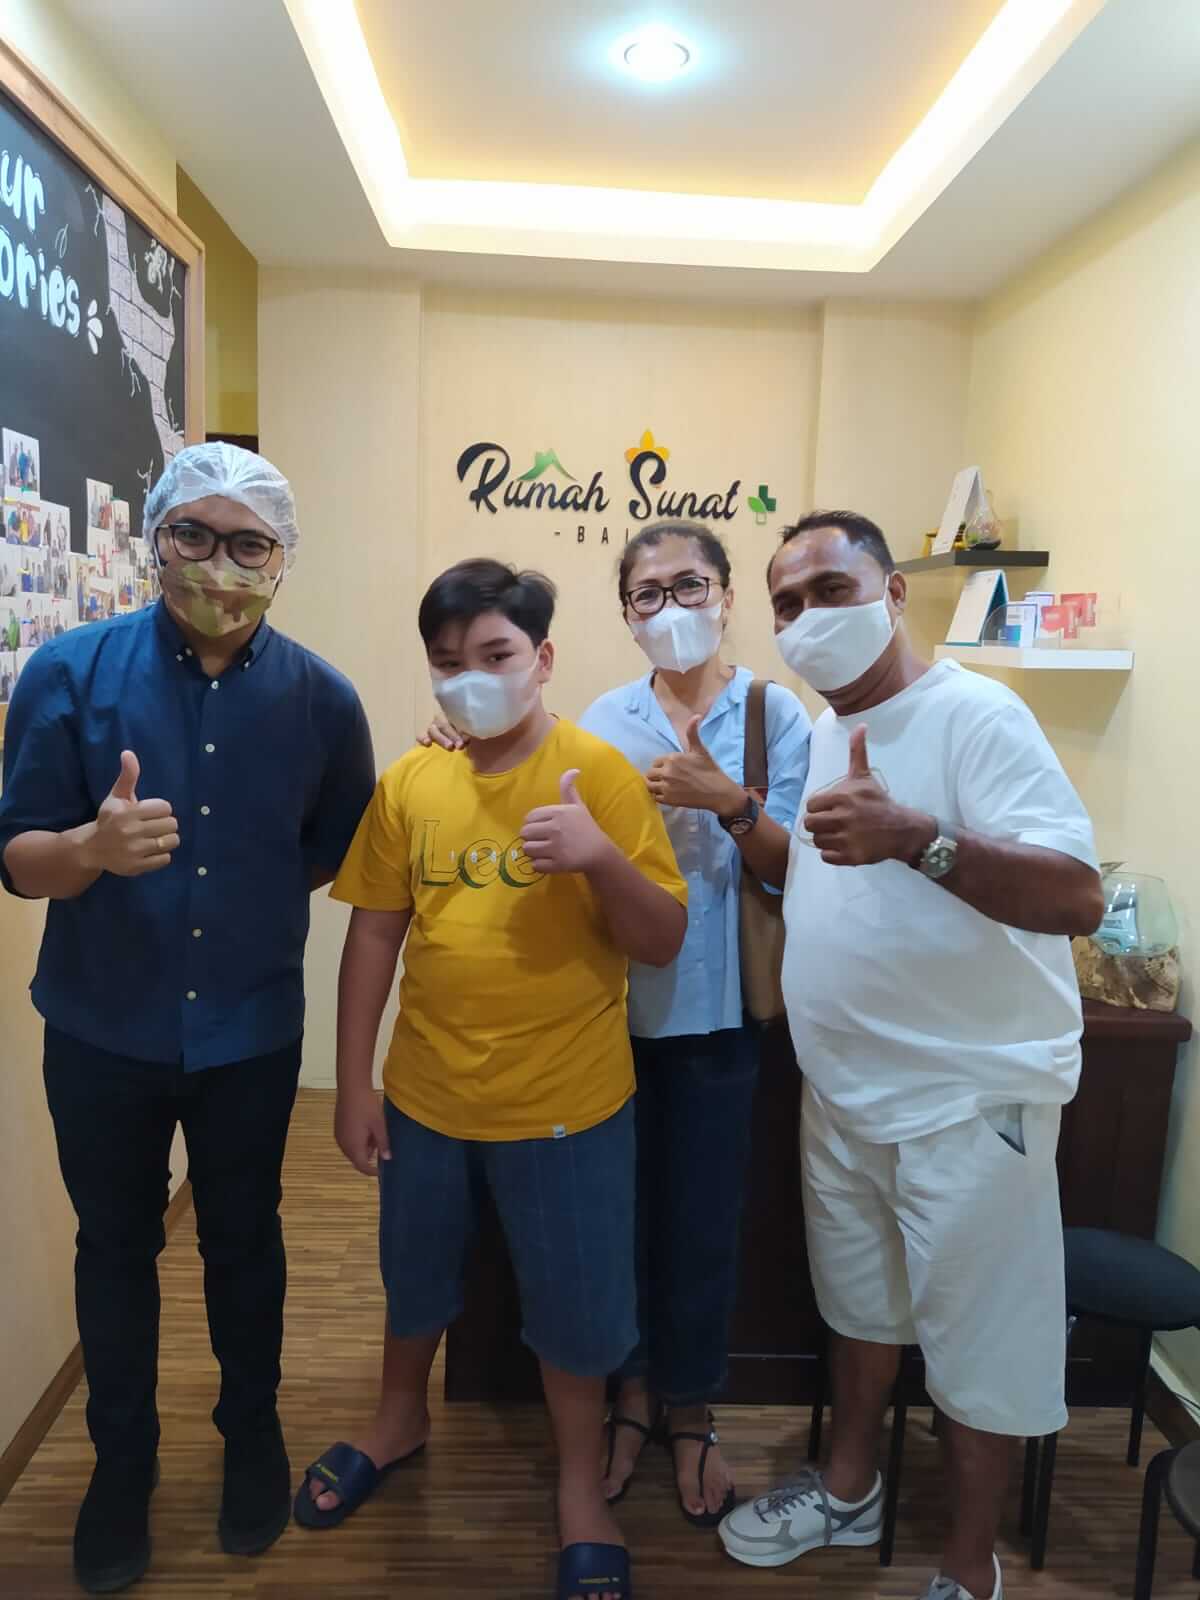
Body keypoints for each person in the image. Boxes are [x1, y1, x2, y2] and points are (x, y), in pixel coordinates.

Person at [0, 442, 375, 1596]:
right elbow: (17, 859)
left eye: (248, 542)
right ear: (156, 539)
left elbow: (332, 848)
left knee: (244, 1240)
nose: (221, 563)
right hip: (100, 1028)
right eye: (194, 535)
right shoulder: (67, 673)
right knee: (114, 1245)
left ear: (282, 556)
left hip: (249, 1033)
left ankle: (250, 1431)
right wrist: (89, 848)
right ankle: (123, 1463)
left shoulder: (323, 700)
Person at [718, 511, 1104, 1600]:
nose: (806, 618)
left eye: (831, 590)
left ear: (892, 593)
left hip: (966, 1101)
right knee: (861, 1310)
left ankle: (969, 1567)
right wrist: (747, 820)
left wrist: (919, 838)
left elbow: (1077, 896)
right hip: (845, 1093)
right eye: (787, 603)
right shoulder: (825, 725)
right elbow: (827, 877)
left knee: (979, 1346)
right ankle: (849, 1490)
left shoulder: (977, 716)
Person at [297, 558, 688, 1600]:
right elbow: (373, 935)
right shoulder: (413, 780)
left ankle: (579, 1486)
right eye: (447, 662)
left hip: (569, 1106)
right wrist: (353, 1084)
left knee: (577, 1308)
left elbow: (662, 939)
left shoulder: (599, 774)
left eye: (495, 654)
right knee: (415, 1276)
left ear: (542, 658)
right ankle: (398, 1419)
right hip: (426, 1098)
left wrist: (600, 856)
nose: (470, 678)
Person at [420, 523, 811, 1526]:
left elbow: (801, 874)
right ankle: (629, 1397)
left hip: (723, 1021)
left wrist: (731, 804)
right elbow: (518, 782)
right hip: (608, 1021)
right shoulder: (604, 719)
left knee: (702, 1228)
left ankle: (692, 1408)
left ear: (726, 595)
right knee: (615, 1229)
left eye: (690, 586)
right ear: (627, 615)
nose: (670, 609)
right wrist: (456, 738)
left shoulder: (774, 716)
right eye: (647, 594)